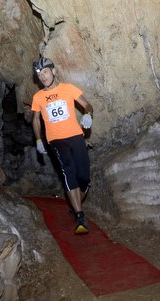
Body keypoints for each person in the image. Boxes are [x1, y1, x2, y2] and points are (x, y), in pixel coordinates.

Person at [31, 57, 94, 234]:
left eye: (45, 72)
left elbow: (87, 104)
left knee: (84, 178)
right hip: (56, 140)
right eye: (39, 74)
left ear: (53, 71)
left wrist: (88, 114)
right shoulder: (38, 97)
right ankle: (80, 215)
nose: (42, 76)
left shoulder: (68, 88)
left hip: (76, 136)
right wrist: (38, 139)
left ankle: (75, 205)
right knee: (68, 170)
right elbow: (35, 120)